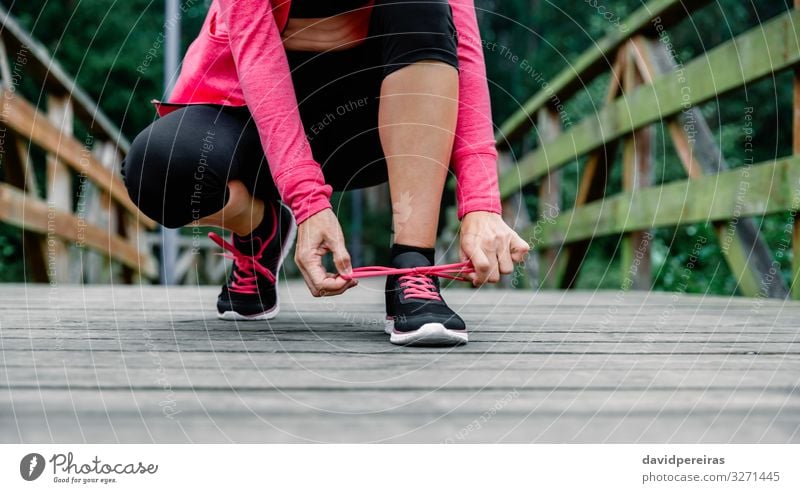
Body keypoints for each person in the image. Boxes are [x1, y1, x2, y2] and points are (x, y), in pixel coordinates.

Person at [122, 0, 529, 346]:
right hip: (250, 103)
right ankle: (260, 228)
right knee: (158, 170)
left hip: (375, 110)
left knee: (421, 4)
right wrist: (308, 202)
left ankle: (412, 265)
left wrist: (480, 204)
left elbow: (463, 48)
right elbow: (258, 57)